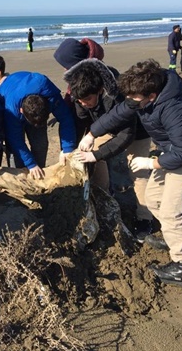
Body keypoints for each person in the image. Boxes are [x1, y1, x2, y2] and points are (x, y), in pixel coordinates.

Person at [78, 59, 182, 288]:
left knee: (171, 212)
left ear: (151, 95)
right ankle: (178, 240)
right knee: (152, 199)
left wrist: (151, 163)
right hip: (173, 151)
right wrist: (92, 133)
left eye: (134, 99)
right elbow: (119, 113)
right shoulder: (139, 95)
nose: (129, 102)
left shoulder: (174, 108)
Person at [64, 59, 154, 242]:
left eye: (88, 99)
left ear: (99, 90)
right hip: (103, 127)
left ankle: (145, 218)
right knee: (90, 159)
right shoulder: (80, 97)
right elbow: (81, 121)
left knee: (138, 172)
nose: (84, 104)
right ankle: (105, 197)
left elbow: (126, 136)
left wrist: (96, 153)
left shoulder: (120, 96)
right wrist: (74, 146)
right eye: (80, 101)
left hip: (137, 131)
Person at [0, 71, 77, 179]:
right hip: (8, 92)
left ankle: (39, 174)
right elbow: (16, 140)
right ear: (21, 111)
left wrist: (67, 149)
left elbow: (66, 119)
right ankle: (20, 177)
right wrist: (30, 164)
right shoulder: (10, 109)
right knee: (15, 151)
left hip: (33, 95)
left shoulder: (51, 97)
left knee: (40, 144)